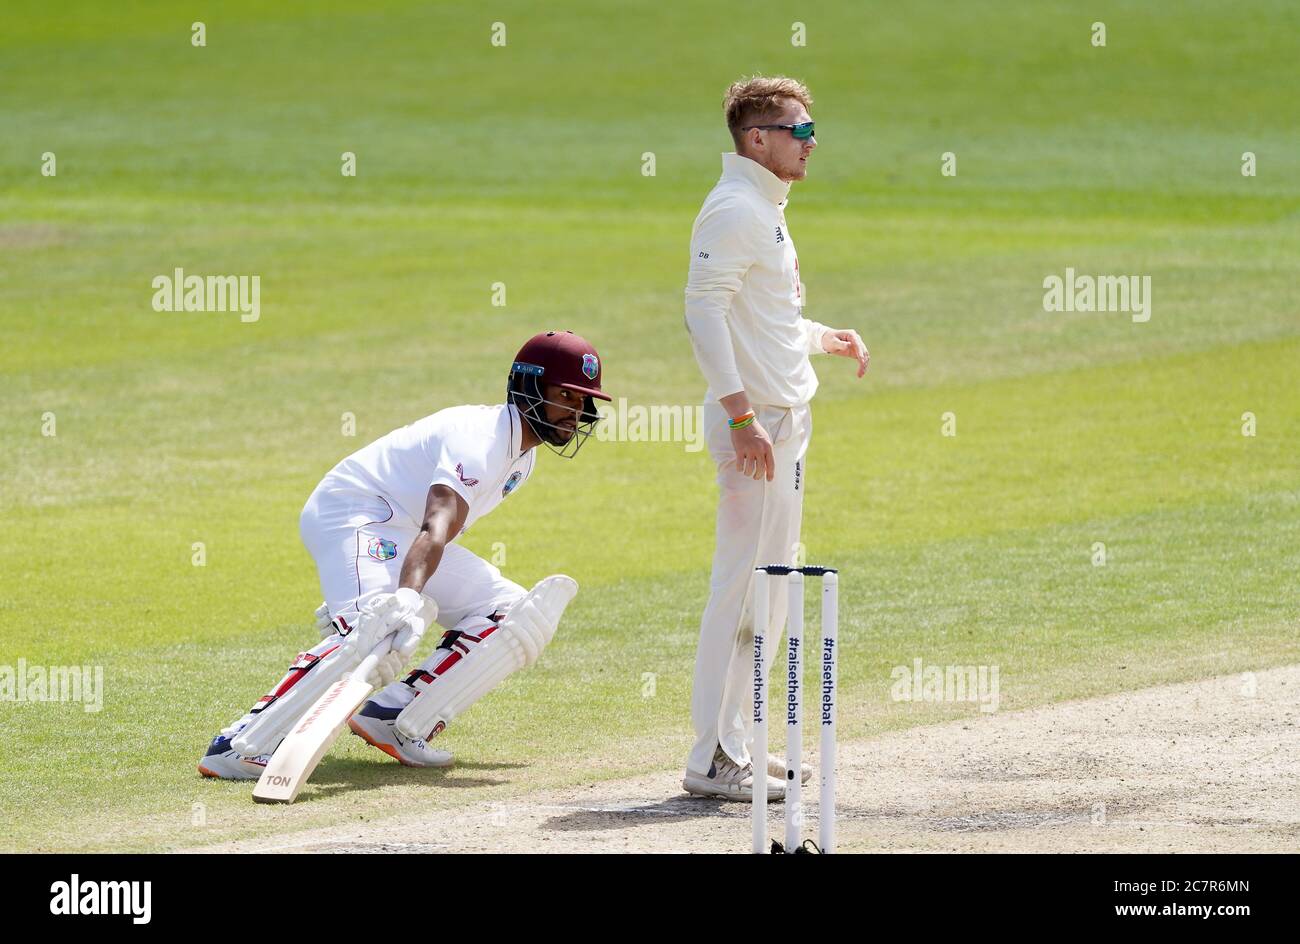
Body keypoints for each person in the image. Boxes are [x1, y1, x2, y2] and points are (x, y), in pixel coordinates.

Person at [199, 330, 610, 779]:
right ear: (529, 388)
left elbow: (437, 533)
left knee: (511, 612)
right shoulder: (482, 441)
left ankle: (393, 716)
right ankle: (240, 743)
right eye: (566, 396)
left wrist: (391, 586)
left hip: (402, 532)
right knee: (373, 630)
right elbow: (437, 523)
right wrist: (403, 597)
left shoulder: (522, 459)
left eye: (584, 402)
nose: (577, 412)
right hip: (355, 512)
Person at [682, 76, 869, 799]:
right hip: (755, 426)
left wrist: (825, 337)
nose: (812, 141)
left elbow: (768, 316)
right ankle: (711, 758)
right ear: (757, 139)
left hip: (782, 423)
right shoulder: (735, 209)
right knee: (740, 589)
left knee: (775, 591)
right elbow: (702, 314)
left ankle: (744, 745)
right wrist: (740, 416)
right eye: (800, 130)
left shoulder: (765, 206)